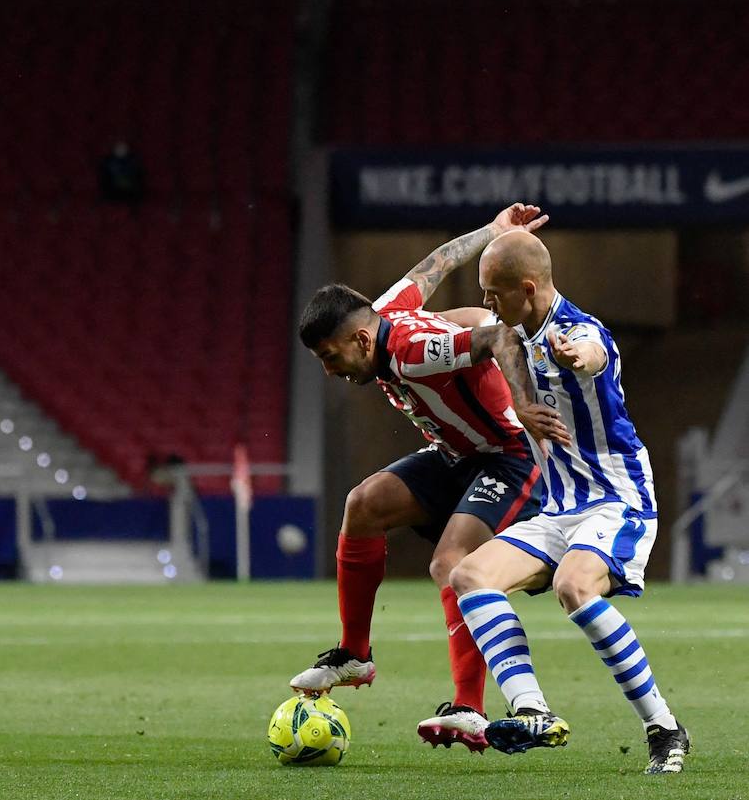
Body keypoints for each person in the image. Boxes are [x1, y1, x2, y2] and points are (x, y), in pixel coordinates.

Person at [290, 203, 564, 753]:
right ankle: (355, 655)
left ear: (363, 341)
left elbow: (500, 340)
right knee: (363, 504)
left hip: (511, 455)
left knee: (450, 561)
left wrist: (525, 405)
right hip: (457, 452)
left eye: (330, 356)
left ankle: (470, 707)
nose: (330, 371)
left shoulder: (415, 354)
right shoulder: (384, 310)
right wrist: (493, 230)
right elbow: (434, 265)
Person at [445, 229, 688, 774]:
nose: (487, 303)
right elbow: (476, 325)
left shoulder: (579, 331)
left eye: (494, 293)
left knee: (572, 586)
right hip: (558, 507)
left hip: (615, 499)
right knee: (468, 577)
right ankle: (532, 710)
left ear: (528, 289)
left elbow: (594, 353)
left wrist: (577, 357)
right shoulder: (511, 326)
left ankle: (665, 729)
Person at [98, 141, 146, 205]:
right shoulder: (108, 161)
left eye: (123, 148)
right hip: (112, 193)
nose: (121, 150)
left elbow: (138, 178)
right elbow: (104, 180)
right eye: (118, 148)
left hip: (130, 193)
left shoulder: (134, 161)